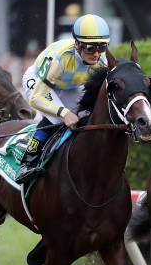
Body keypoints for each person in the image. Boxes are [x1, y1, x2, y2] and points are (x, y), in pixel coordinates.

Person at [15, 13, 109, 184]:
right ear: (78, 45)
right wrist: (63, 112)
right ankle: (27, 162)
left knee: (82, 116)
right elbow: (37, 97)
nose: (96, 54)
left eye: (101, 47)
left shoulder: (101, 62)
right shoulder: (60, 58)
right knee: (56, 118)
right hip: (39, 82)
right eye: (90, 48)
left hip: (69, 85)